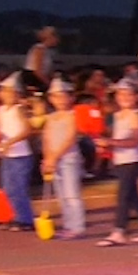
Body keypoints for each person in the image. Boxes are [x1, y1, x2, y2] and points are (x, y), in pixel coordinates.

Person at [97, 82, 138, 245]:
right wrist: (105, 144)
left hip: (132, 160)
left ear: (135, 97)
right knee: (133, 197)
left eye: (128, 94)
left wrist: (111, 142)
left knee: (123, 195)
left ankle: (119, 231)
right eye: (121, 94)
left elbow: (135, 140)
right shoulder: (117, 115)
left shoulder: (135, 115)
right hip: (120, 160)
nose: (124, 98)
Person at [39, 79, 87, 239]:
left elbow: (70, 139)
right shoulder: (50, 117)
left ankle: (77, 226)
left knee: (72, 193)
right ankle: (68, 225)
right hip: (54, 160)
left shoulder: (73, 115)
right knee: (61, 195)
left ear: (71, 98)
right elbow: (46, 139)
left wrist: (54, 157)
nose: (60, 100)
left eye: (63, 96)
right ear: (51, 99)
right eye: (56, 96)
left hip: (69, 159)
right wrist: (47, 158)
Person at [0, 74, 37, 232]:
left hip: (21, 155)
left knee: (19, 188)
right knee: (7, 188)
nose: (7, 95)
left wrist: (10, 142)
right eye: (4, 91)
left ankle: (25, 219)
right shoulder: (1, 110)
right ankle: (12, 216)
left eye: (10, 92)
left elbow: (27, 130)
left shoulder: (19, 109)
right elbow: (1, 129)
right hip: (8, 155)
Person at [23, 26, 58, 91]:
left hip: (40, 78)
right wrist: (49, 84)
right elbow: (37, 71)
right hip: (34, 79)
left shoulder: (48, 51)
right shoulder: (39, 49)